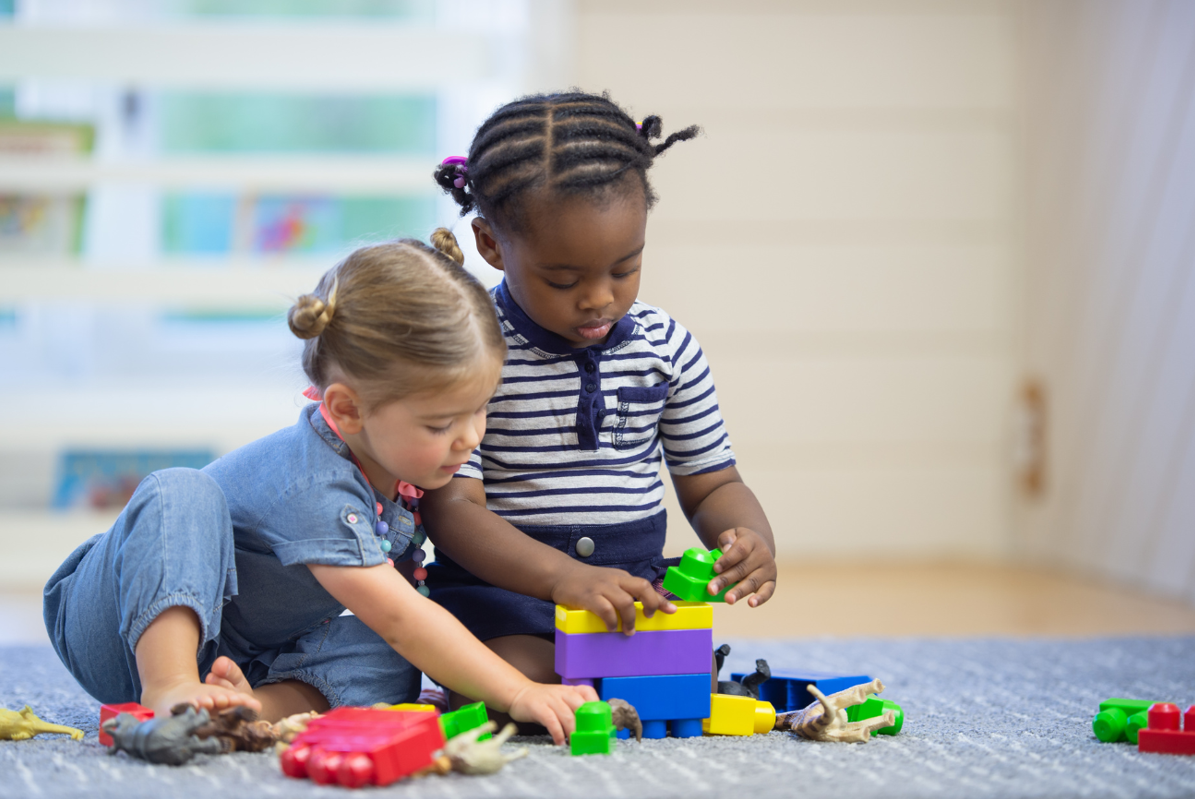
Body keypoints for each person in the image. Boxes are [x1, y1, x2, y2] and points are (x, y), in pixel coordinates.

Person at [42, 230, 597, 744]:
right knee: (180, 491)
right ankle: (171, 687)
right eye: (439, 425)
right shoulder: (317, 485)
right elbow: (405, 615)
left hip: (244, 650)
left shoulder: (395, 467)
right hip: (116, 624)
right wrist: (519, 691)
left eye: (480, 410)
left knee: (391, 660)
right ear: (347, 409)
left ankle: (246, 709)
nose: (470, 438)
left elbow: (399, 624)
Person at [423, 92, 777, 704]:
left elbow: (712, 484)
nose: (598, 299)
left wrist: (748, 537)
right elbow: (452, 510)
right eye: (563, 279)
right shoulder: (473, 354)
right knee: (516, 676)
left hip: (629, 594)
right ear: (491, 245)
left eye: (624, 268)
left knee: (681, 681)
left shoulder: (668, 349)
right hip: (509, 597)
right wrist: (563, 580)